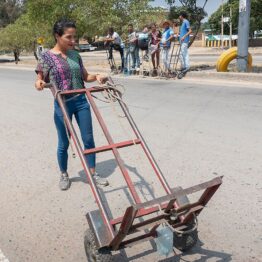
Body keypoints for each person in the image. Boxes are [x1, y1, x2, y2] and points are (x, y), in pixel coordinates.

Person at [34, 18, 109, 190]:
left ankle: (92, 172)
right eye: (69, 37)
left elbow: (85, 77)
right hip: (62, 104)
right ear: (57, 36)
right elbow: (39, 80)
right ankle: (64, 174)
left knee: (88, 139)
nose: (73, 41)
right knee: (64, 142)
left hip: (81, 101)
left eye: (74, 37)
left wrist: (97, 76)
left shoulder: (75, 54)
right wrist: (39, 84)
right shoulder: (46, 57)